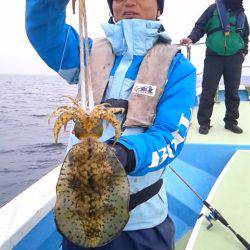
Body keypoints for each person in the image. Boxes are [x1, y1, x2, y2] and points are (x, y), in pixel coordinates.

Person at [25, 0, 196, 249]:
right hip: (78, 210)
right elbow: (44, 29)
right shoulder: (87, 51)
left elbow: (170, 137)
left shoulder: (178, 68)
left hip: (141, 224)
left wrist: (124, 153)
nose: (127, 1)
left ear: (159, 8)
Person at [180, 0, 249, 135]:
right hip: (213, 57)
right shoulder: (213, 9)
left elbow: (245, 36)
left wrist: (243, 52)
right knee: (208, 91)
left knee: (233, 92)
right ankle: (204, 123)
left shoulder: (242, 15)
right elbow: (200, 26)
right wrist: (191, 39)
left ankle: (231, 122)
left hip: (235, 58)